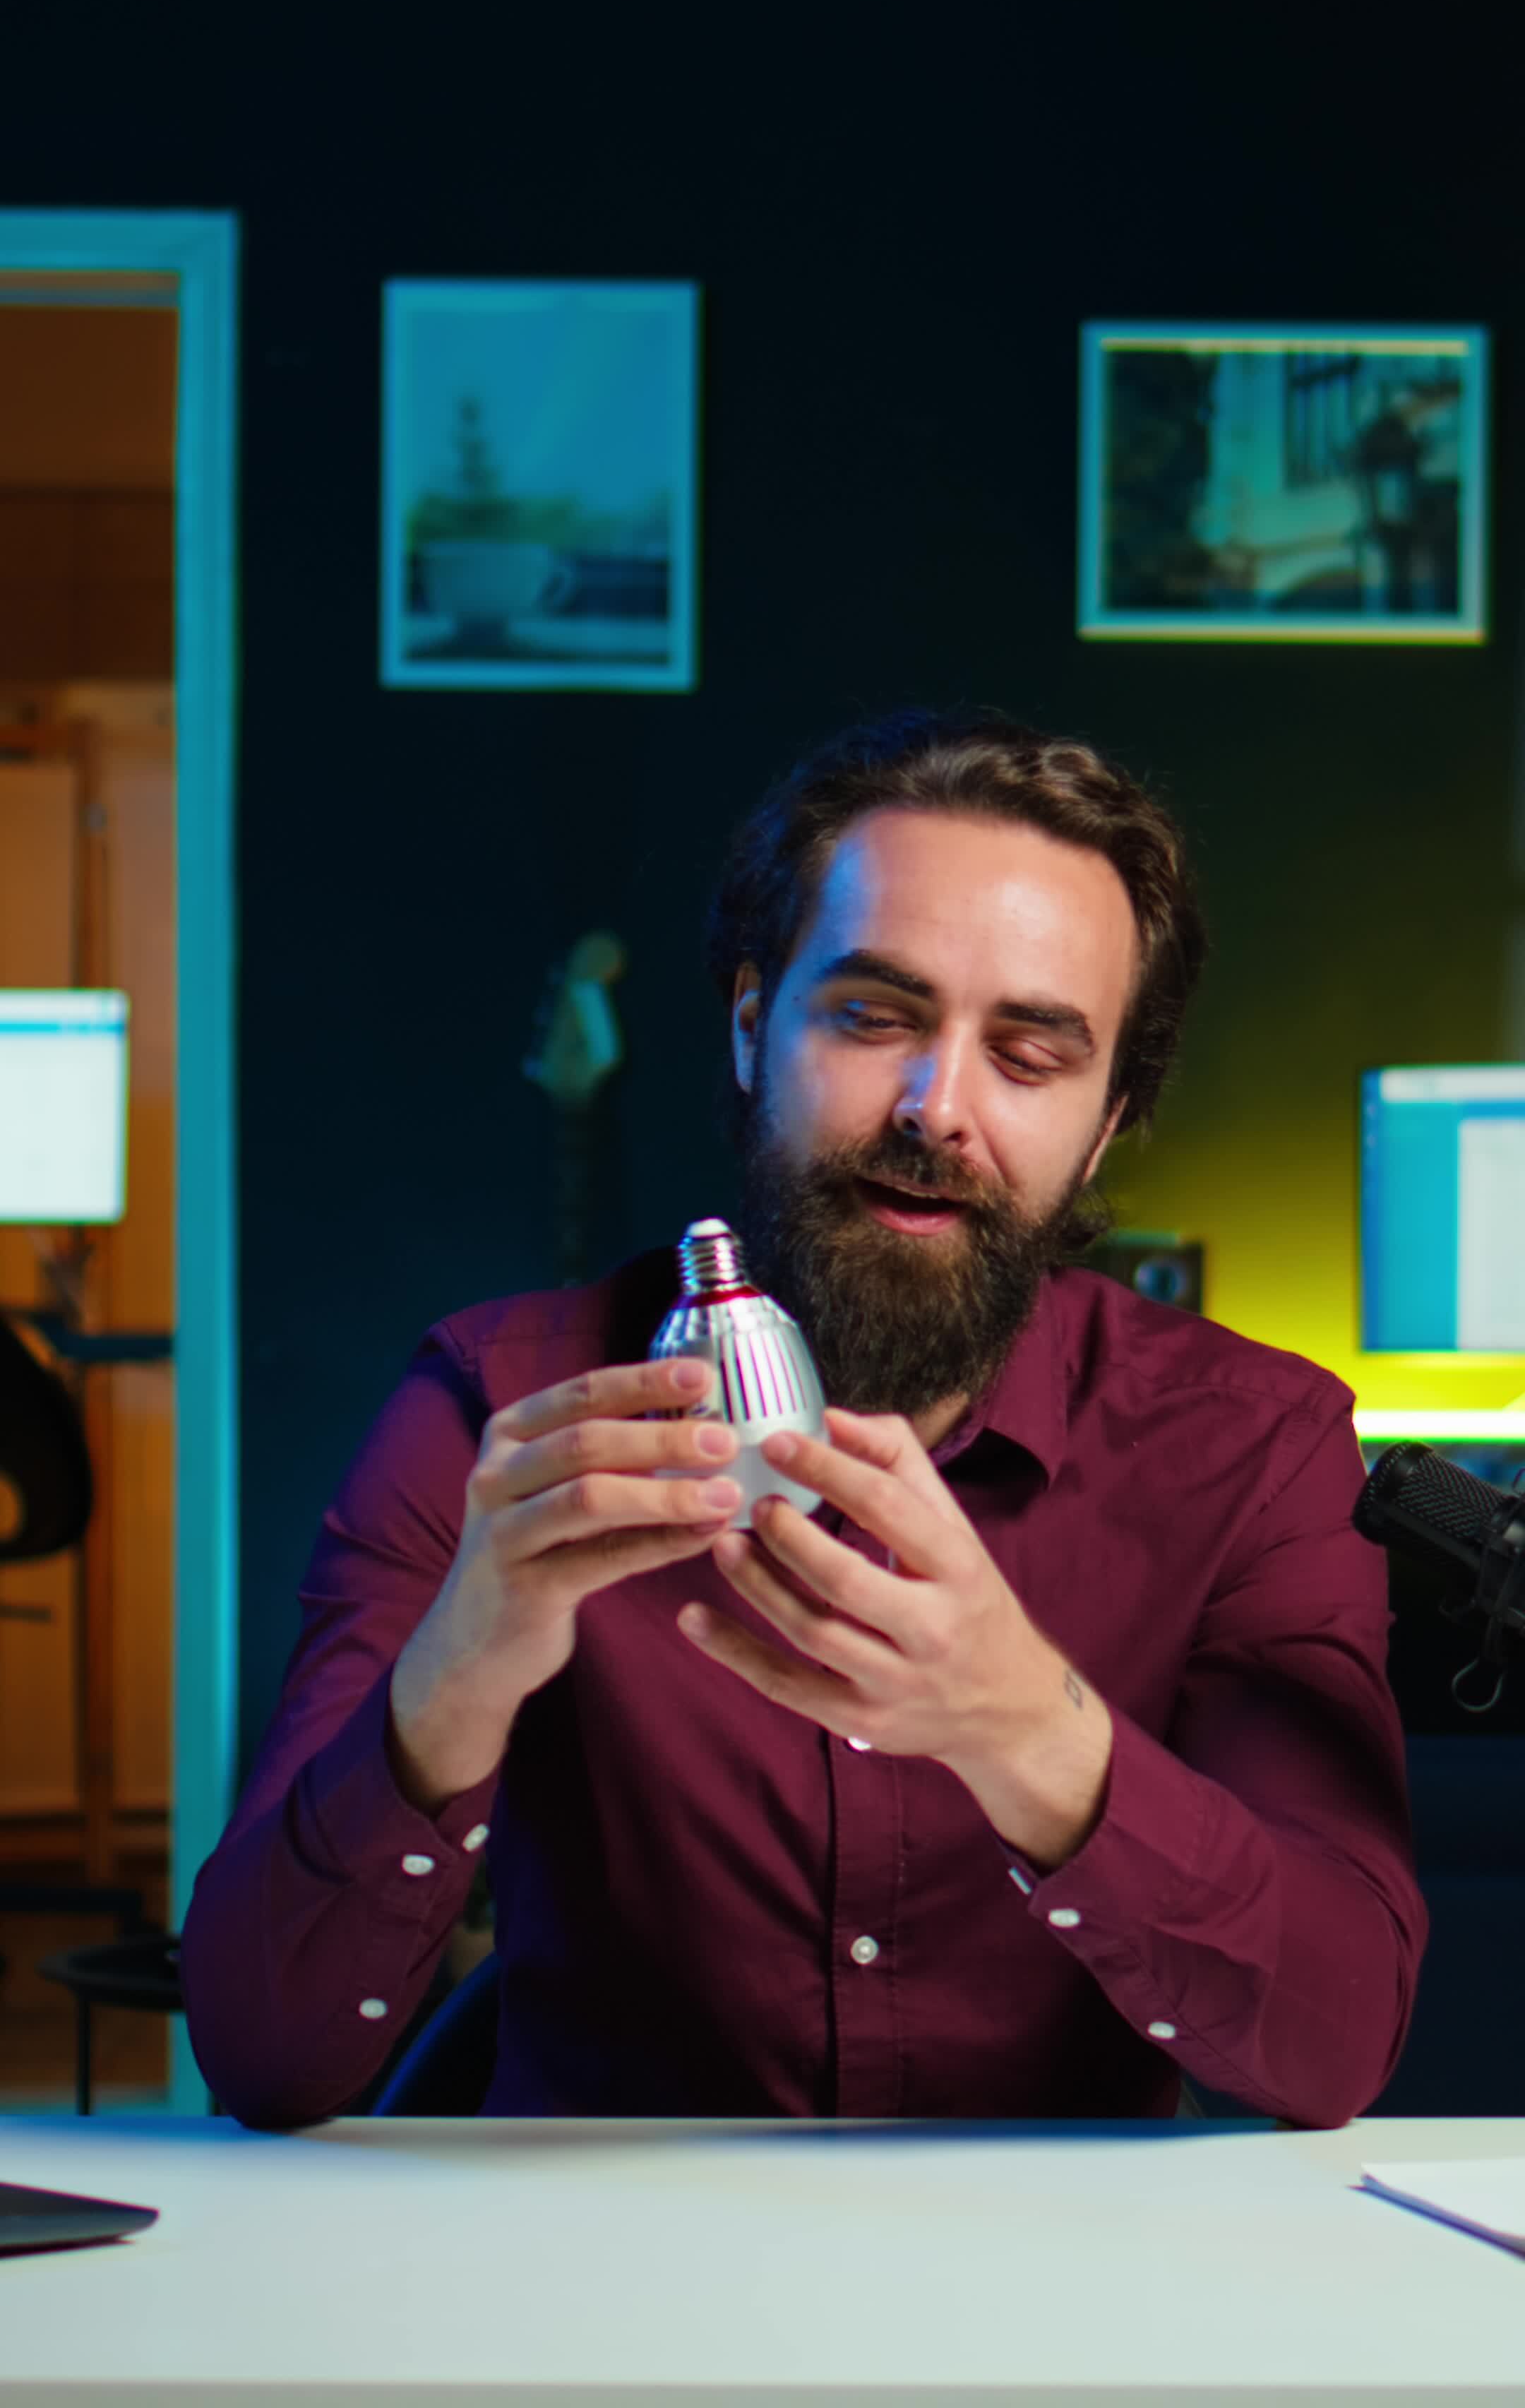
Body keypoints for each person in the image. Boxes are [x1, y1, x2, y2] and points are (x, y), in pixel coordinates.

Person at [182, 707, 1425, 2128]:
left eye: (1029, 1056)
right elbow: (263, 2053)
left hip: (1059, 2301)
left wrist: (1032, 1734)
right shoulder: (499, 1408)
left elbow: (1333, 2051)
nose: (934, 1106)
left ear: (1108, 1124)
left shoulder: (1253, 1447)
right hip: (603, 2291)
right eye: (875, 1016)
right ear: (751, 1021)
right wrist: (457, 1676)